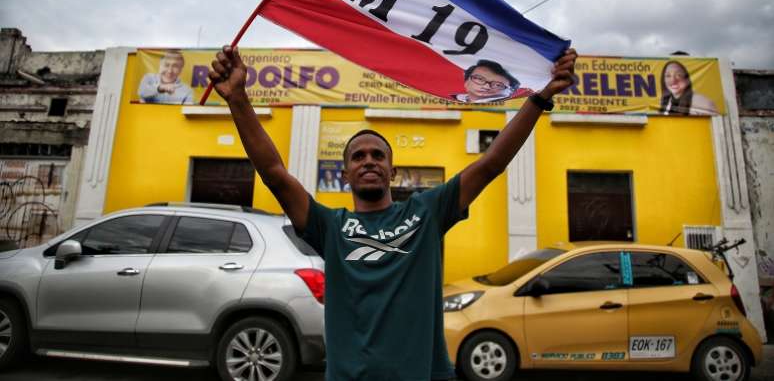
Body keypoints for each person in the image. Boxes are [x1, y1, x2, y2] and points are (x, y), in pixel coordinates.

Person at [209, 45, 576, 381]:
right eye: (358, 156)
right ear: (345, 174)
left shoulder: (428, 211)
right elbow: (274, 173)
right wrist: (239, 99)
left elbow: (492, 162)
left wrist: (541, 98)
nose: (368, 161)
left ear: (392, 171)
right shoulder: (330, 226)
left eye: (377, 155)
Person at [452, 59, 520, 103]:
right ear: (466, 82)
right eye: (479, 79)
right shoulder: (450, 99)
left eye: (498, 85)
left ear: (510, 92)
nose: (486, 86)